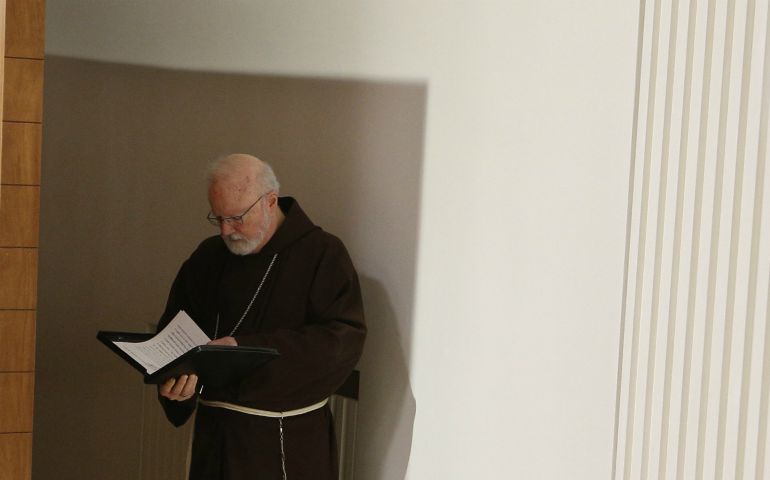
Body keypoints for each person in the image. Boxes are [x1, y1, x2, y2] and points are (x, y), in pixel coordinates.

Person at [156, 153, 366, 480]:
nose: (226, 230)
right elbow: (176, 331)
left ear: (270, 201)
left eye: (237, 217)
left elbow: (341, 342)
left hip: (284, 440)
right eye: (218, 218)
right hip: (214, 438)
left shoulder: (322, 255)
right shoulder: (208, 257)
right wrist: (178, 380)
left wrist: (245, 348)